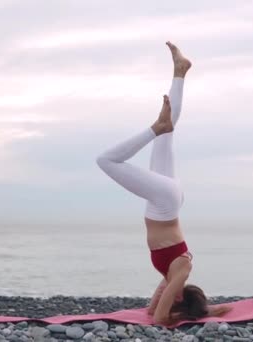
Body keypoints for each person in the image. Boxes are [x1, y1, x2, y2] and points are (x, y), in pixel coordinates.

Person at [96, 41, 232, 326]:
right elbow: (158, 319)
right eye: (174, 298)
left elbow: (149, 311)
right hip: (163, 203)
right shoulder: (180, 272)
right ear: (181, 298)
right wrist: (196, 314)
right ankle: (154, 128)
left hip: (165, 200)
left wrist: (208, 310)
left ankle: (180, 72)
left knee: (168, 132)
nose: (168, 296)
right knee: (106, 161)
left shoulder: (173, 275)